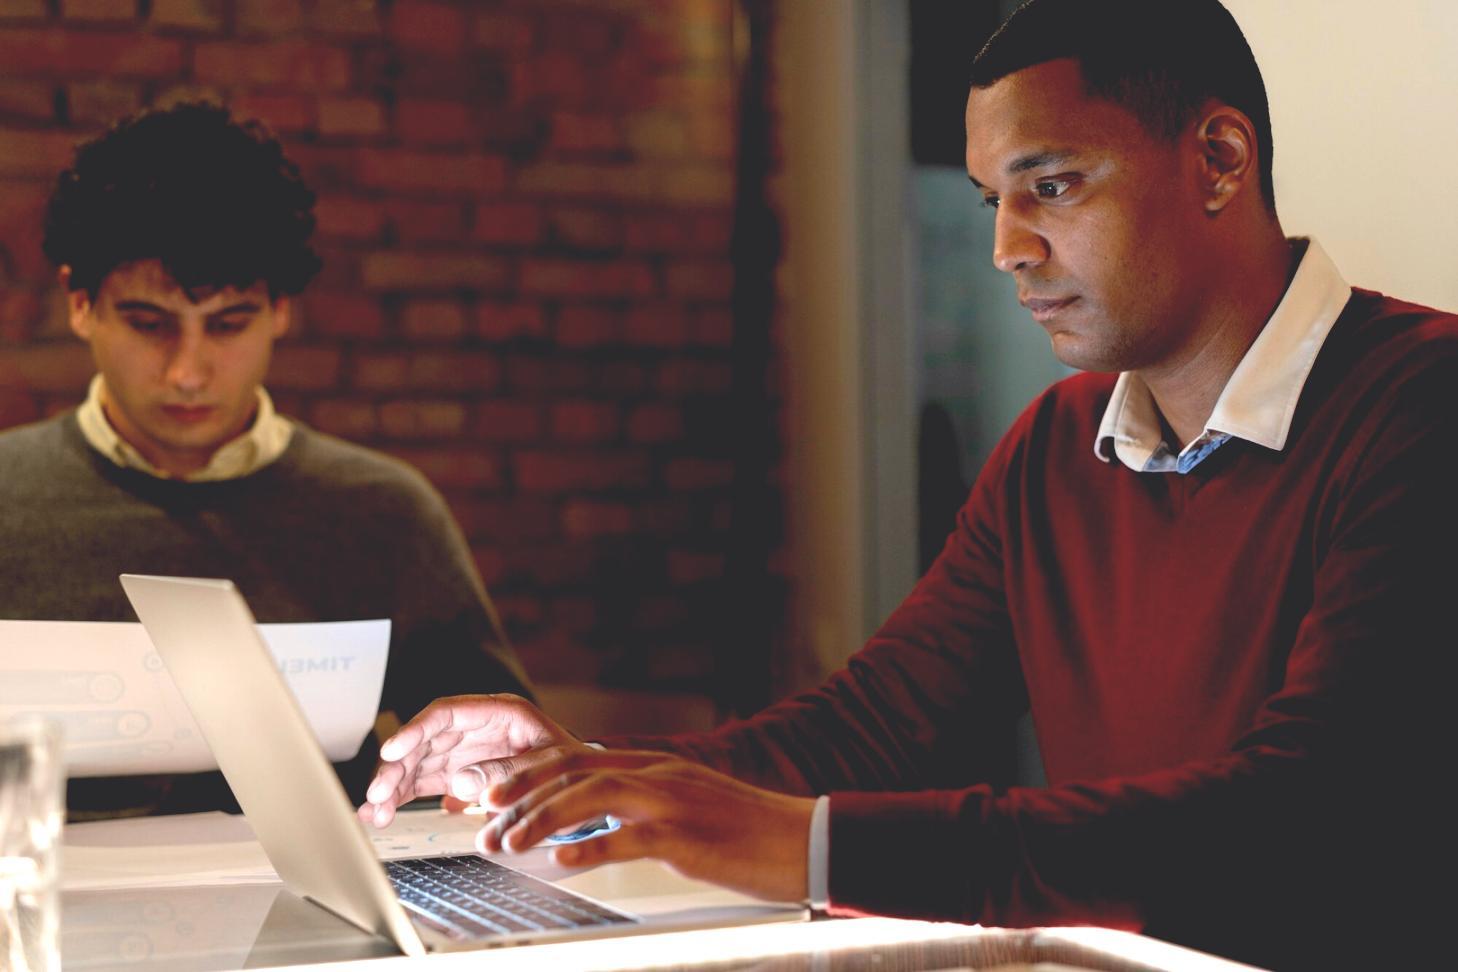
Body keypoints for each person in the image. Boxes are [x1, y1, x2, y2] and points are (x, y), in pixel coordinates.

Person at [359, 1, 1456, 967]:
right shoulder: (1057, 446)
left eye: (1053, 187)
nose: (1008, 249)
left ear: (1219, 157)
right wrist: (594, 776)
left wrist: (803, 844)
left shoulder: (1424, 401)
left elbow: (1300, 816)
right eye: (991, 201)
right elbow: (877, 724)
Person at [0, 102, 531, 819]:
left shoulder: (383, 513)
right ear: (80, 304)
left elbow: (502, 771)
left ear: (281, 310)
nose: (188, 371)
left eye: (228, 324)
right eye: (148, 324)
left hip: (317, 917)